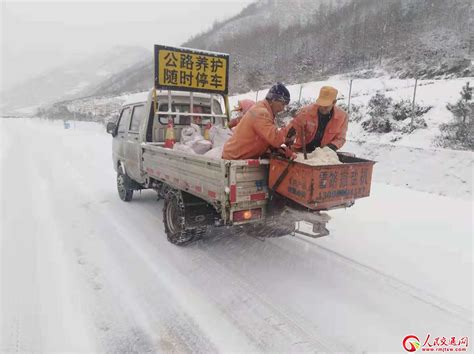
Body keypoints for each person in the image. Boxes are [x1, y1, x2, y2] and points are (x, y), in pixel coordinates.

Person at [222, 83, 293, 160]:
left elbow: (265, 138)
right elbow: (276, 139)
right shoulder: (261, 113)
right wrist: (293, 126)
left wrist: (277, 149)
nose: (282, 109)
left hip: (238, 156)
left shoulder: (263, 110)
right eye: (282, 104)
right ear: (273, 100)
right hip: (235, 159)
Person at [290, 86, 348, 152]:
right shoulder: (306, 112)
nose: (322, 108)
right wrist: (290, 136)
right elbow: (293, 127)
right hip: (301, 150)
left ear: (334, 102)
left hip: (324, 154)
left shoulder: (343, 117)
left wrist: (329, 148)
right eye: (321, 104)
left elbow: (340, 138)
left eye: (326, 106)